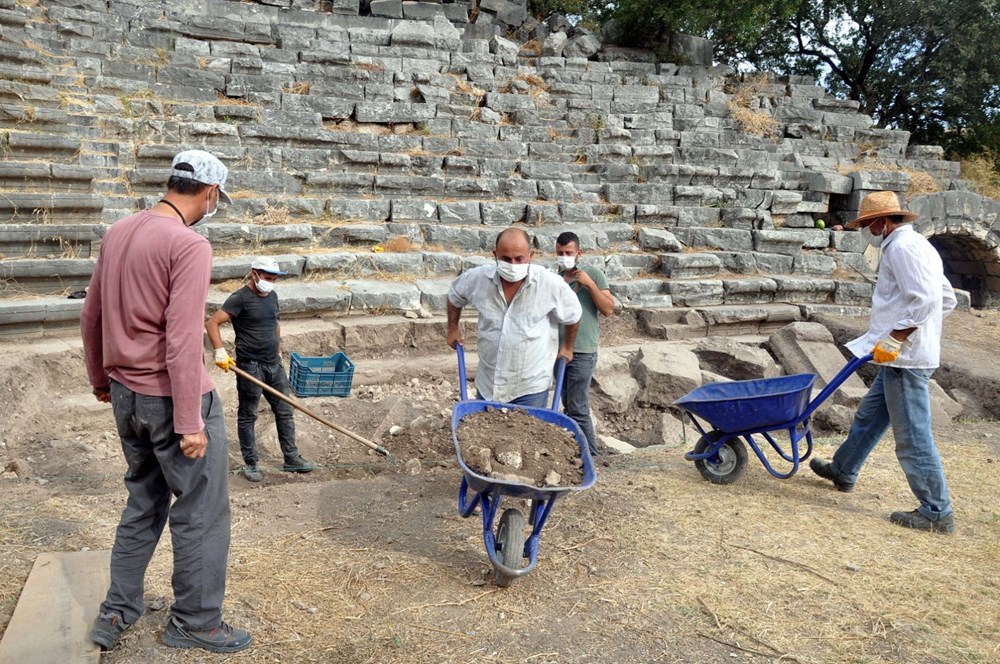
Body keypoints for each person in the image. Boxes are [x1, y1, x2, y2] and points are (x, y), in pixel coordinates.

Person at [80, 150, 252, 652]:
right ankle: (196, 622)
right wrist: (190, 420)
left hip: (126, 395)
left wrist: (100, 377)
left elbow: (90, 315)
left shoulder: (120, 231)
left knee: (143, 500)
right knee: (202, 510)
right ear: (210, 192)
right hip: (173, 397)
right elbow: (180, 340)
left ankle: (116, 610)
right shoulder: (189, 245)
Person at [809, 190, 958, 534]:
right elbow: (945, 299)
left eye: (868, 224)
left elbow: (926, 299)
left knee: (913, 436)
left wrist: (900, 338)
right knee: (871, 416)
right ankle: (844, 469)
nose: (867, 230)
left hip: (905, 360)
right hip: (902, 355)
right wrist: (922, 333)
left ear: (884, 221)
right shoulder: (915, 244)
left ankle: (937, 511)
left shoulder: (903, 248)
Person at [446, 227, 582, 407]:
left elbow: (573, 315)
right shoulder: (478, 279)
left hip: (530, 387)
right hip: (489, 383)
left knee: (527, 434)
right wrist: (453, 328)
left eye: (519, 259)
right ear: (495, 255)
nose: (512, 265)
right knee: (484, 433)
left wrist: (567, 347)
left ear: (530, 255)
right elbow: (455, 295)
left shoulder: (550, 284)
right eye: (506, 259)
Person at [205, 257, 312, 482]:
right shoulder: (239, 298)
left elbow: (276, 322)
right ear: (255, 275)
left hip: (274, 364)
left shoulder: (272, 296)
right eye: (268, 278)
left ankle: (291, 458)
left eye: (274, 279)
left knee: (285, 410)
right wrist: (220, 351)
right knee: (248, 414)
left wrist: (278, 348)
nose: (271, 282)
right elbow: (212, 323)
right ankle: (251, 463)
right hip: (250, 366)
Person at [555, 232, 614, 456]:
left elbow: (608, 309)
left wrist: (589, 284)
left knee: (578, 406)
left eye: (568, 253)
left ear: (578, 253)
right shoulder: (556, 277)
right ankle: (575, 452)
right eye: (560, 253)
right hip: (558, 351)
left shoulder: (594, 275)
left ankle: (591, 455)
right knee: (567, 405)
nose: (564, 257)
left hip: (582, 352)